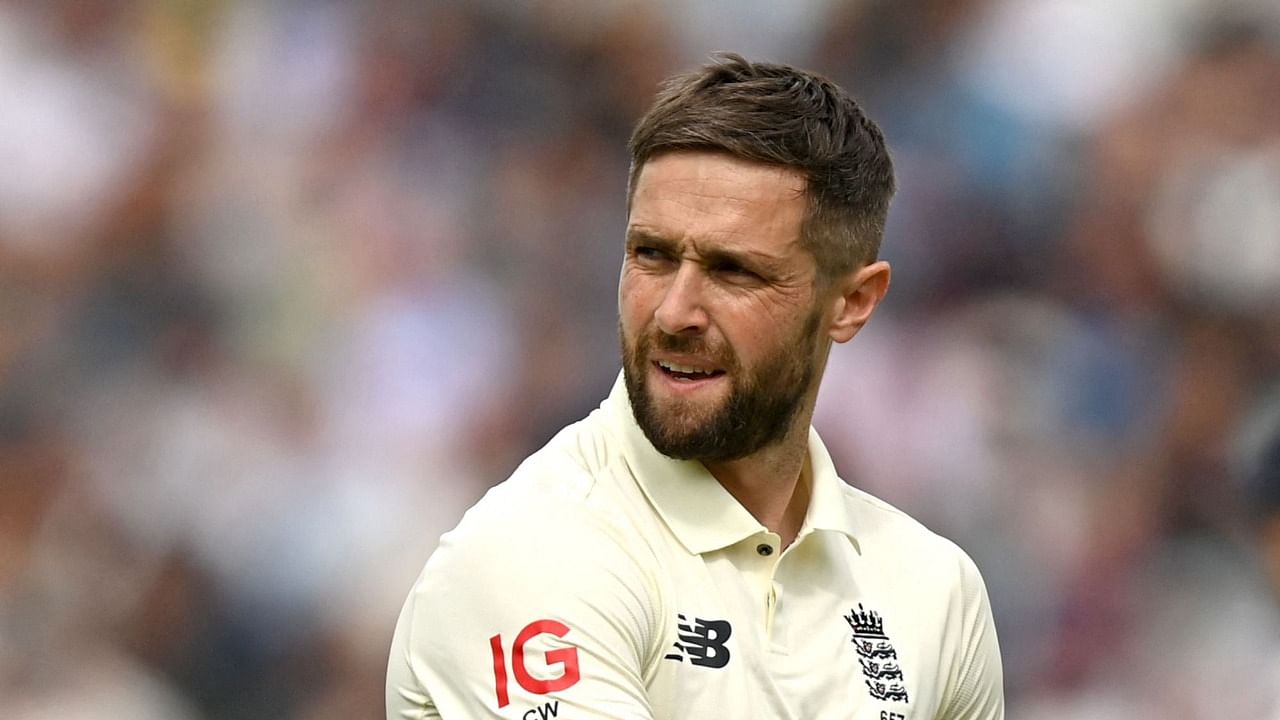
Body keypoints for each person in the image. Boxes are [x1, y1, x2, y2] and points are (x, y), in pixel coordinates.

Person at [386, 54, 1004, 720]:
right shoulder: (526, 553)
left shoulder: (937, 592)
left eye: (733, 270)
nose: (674, 311)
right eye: (651, 255)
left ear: (852, 301)